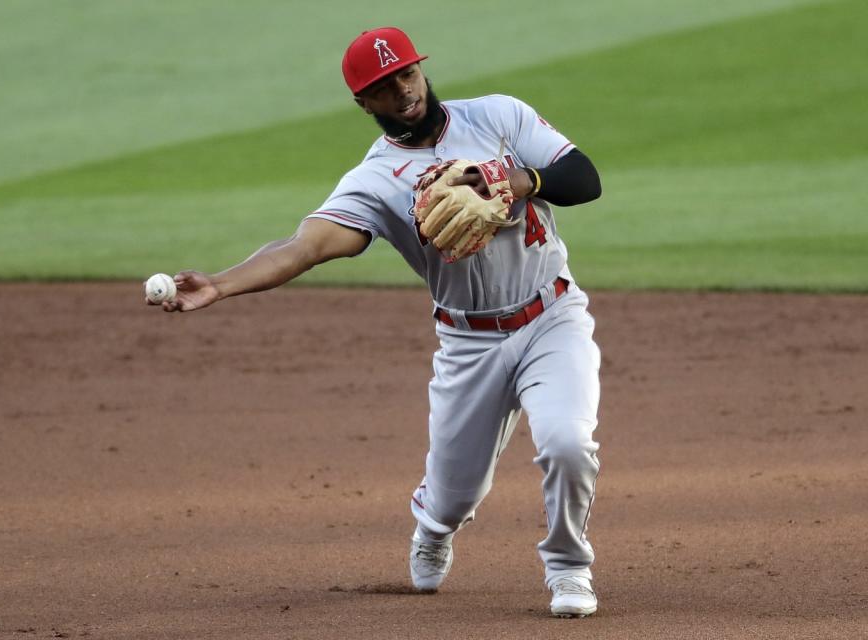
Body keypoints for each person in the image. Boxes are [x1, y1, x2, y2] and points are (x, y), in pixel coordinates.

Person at [148, 27, 603, 618]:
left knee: (568, 442)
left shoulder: (499, 117)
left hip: (553, 316)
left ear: (421, 70)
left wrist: (516, 180)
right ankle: (433, 529)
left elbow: (584, 178)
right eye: (383, 88)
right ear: (364, 103)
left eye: (406, 75)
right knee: (454, 496)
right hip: (469, 342)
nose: (402, 92)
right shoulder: (376, 180)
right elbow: (303, 246)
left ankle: (569, 569)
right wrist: (221, 283)